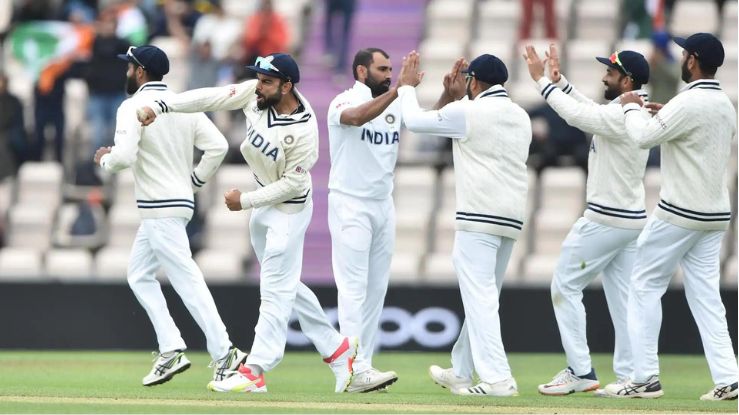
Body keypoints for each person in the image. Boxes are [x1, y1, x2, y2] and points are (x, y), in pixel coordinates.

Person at [136, 53, 358, 394]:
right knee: (287, 286)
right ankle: (337, 351)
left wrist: (246, 200)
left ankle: (255, 370)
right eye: (258, 79)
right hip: (261, 208)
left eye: (267, 81)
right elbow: (211, 96)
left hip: (289, 211)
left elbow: (293, 185)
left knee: (273, 290)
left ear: (287, 86)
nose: (259, 86)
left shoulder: (303, 129)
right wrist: (164, 107)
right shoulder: (256, 94)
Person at [93, 45, 247, 388]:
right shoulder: (183, 104)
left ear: (141, 72)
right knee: (139, 275)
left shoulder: (132, 106)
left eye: (129, 68)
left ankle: (225, 354)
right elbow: (217, 146)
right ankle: (171, 347)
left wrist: (104, 159)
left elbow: (123, 157)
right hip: (175, 204)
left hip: (159, 207)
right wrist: (194, 182)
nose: (126, 73)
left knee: (186, 279)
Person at [604, 32, 739, 400]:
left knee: (643, 285)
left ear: (692, 60)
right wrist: (669, 116)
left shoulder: (688, 101)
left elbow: (644, 139)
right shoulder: (725, 103)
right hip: (715, 215)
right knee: (707, 296)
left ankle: (644, 377)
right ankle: (729, 377)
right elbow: (698, 136)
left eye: (684, 54)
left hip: (681, 211)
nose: (681, 59)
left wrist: (630, 105)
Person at [397, 51, 531, 396]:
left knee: (481, 299)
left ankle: (499, 379)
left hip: (478, 218)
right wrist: (459, 101)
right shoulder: (520, 115)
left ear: (474, 82)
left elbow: (413, 121)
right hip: (511, 218)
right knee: (484, 298)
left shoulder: (467, 111)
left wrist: (407, 87)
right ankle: (461, 370)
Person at [523, 44, 651, 396]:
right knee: (622, 300)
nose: (603, 77)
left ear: (626, 80)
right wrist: (560, 82)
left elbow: (579, 117)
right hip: (629, 219)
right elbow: (591, 109)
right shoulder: (629, 108)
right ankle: (631, 376)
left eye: (610, 73)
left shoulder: (623, 113)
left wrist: (541, 83)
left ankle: (580, 370)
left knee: (564, 286)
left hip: (606, 219)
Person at [326, 47, 402, 393]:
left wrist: (449, 94)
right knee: (353, 288)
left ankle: (364, 366)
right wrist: (399, 91)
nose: (389, 75)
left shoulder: (394, 103)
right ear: (361, 72)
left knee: (375, 290)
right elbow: (356, 119)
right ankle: (352, 368)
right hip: (350, 203)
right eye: (382, 69)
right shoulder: (342, 102)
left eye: (391, 70)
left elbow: (427, 121)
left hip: (383, 204)